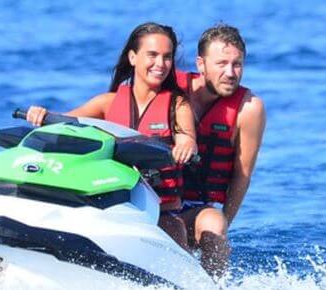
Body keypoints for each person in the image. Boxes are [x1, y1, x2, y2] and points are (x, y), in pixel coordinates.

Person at [26, 22, 197, 241]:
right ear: (133, 57)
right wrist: (41, 115)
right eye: (152, 55)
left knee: (175, 230)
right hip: (119, 208)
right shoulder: (107, 103)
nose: (160, 64)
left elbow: (187, 139)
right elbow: (64, 123)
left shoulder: (178, 104)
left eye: (167, 57)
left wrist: (185, 146)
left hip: (162, 212)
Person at [175, 24, 266, 277]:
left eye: (237, 64)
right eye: (222, 63)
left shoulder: (249, 109)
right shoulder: (172, 90)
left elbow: (242, 175)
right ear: (201, 64)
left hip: (198, 207)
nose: (230, 73)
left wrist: (224, 224)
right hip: (158, 199)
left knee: (214, 225)